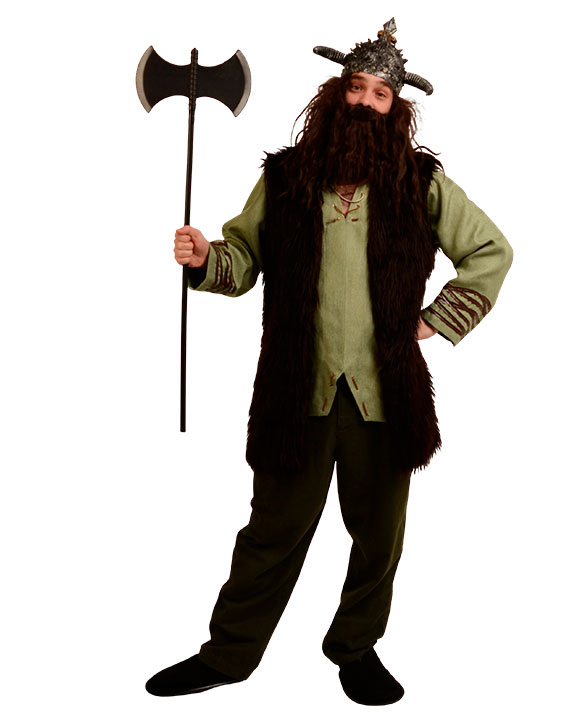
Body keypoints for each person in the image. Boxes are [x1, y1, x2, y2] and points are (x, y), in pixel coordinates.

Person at [145, 18, 513, 706]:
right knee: (272, 531)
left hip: (385, 394)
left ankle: (355, 648)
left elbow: (491, 251)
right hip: (297, 393)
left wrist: (437, 320)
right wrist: (204, 259)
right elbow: (242, 258)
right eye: (357, 87)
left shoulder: (421, 184)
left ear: (395, 108)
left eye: (380, 94)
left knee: (379, 537)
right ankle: (228, 654)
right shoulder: (287, 178)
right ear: (335, 92)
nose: (366, 102)